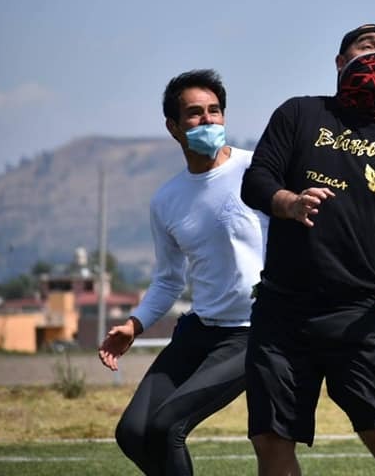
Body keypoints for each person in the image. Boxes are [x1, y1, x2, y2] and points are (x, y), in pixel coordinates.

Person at [240, 23, 375, 476]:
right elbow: (256, 182)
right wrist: (290, 202)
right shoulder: (299, 115)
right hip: (282, 309)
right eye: (367, 46)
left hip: (356, 315)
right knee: (271, 437)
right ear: (341, 62)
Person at [98, 69, 268, 475]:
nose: (208, 120)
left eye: (215, 110)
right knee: (133, 432)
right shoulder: (167, 200)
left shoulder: (259, 171)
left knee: (166, 425)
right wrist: (135, 325)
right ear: (173, 127)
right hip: (199, 330)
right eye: (194, 113)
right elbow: (169, 278)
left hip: (253, 331)